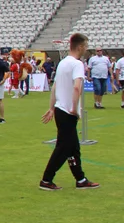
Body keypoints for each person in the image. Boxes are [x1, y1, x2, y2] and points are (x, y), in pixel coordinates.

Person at [40, 33, 100, 191]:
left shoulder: (62, 63)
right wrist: (74, 108)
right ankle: (47, 179)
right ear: (80, 47)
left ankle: (80, 179)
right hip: (67, 111)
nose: (86, 49)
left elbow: (55, 87)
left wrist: (52, 107)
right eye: (86, 46)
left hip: (60, 109)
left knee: (73, 148)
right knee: (63, 147)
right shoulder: (77, 64)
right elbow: (77, 87)